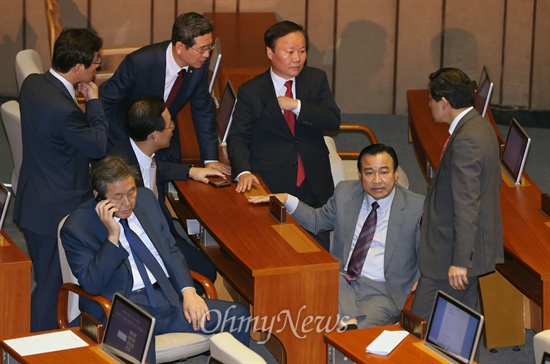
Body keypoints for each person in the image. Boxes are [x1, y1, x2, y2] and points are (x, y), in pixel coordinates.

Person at [60, 156, 250, 364]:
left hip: (167, 298)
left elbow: (172, 250)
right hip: (120, 308)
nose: (127, 203)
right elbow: (91, 283)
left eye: (131, 192)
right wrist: (112, 238)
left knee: (237, 316)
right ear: (99, 196)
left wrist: (189, 292)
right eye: (118, 196)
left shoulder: (146, 200)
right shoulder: (77, 227)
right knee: (141, 337)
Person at [250, 144, 424, 328]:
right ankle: (347, 320)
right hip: (341, 281)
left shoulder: (417, 206)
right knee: (300, 308)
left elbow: (432, 250)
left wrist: (424, 277)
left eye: (384, 172)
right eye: (369, 173)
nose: (377, 180)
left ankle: (346, 320)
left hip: (382, 291)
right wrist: (287, 198)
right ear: (359, 176)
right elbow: (316, 222)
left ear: (396, 174)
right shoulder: (345, 192)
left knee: (352, 331)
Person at [13, 28, 108, 332]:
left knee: (47, 280)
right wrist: (93, 101)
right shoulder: (65, 110)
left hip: (34, 200)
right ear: (78, 68)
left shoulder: (32, 84)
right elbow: (98, 145)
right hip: (54, 212)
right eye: (96, 63)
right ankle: (38, 348)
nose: (98, 68)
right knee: (51, 286)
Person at [227, 20, 341, 251]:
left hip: (313, 180)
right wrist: (244, 171)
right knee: (276, 250)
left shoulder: (315, 79)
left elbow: (332, 119)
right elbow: (238, 137)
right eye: (290, 52)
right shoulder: (251, 91)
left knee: (317, 252)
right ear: (270, 52)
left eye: (302, 51)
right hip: (273, 180)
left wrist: (297, 105)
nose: (297, 58)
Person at [410, 68, 504, 321]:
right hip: (467, 249)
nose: (428, 104)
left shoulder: (466, 141)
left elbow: (467, 205)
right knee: (458, 326)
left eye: (431, 99)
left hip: (450, 257)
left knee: (420, 326)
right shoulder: (480, 126)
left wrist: (460, 261)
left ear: (444, 103)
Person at [110, 96, 221, 293]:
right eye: (170, 124)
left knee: (207, 268)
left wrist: (191, 171)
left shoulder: (141, 151)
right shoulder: (120, 171)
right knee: (204, 274)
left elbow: (158, 167)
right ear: (154, 135)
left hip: (164, 232)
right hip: (144, 244)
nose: (174, 127)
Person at [99, 12, 229, 174]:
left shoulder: (199, 66)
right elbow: (104, 103)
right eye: (202, 49)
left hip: (163, 140)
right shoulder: (139, 63)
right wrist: (97, 148)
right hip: (126, 138)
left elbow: (203, 110)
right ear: (180, 47)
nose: (207, 55)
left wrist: (210, 160)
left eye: (209, 48)